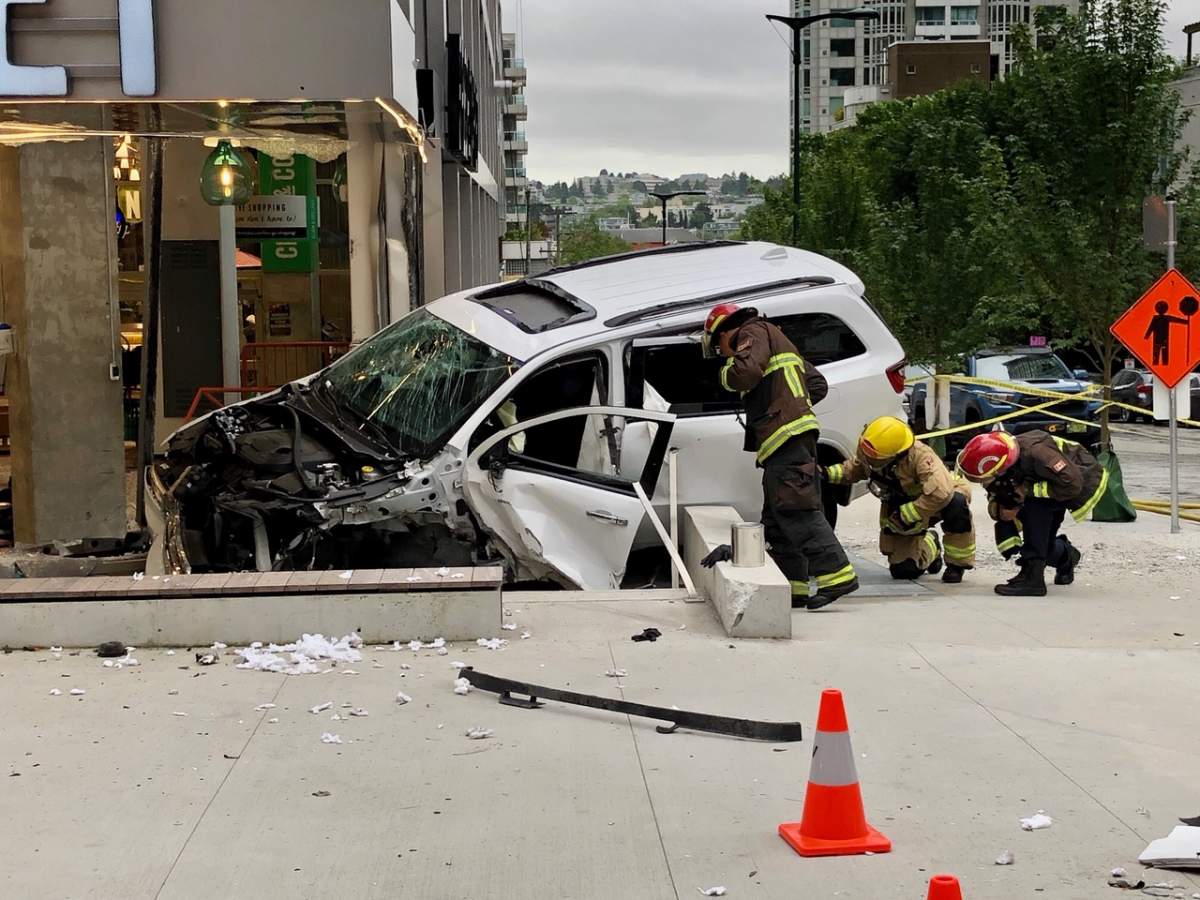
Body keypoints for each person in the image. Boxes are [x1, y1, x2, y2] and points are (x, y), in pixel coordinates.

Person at [699, 302, 858, 610]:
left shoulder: (753, 331)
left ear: (726, 331)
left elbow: (745, 373)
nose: (724, 353)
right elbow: (816, 384)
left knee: (796, 508)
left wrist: (724, 377)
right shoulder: (775, 339)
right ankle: (794, 585)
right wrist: (788, 400)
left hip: (786, 437)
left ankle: (837, 575)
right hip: (788, 438)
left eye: (720, 345)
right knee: (777, 517)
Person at [825, 416, 975, 583]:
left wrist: (909, 513)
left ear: (895, 455)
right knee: (904, 571)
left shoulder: (921, 457)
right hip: (901, 503)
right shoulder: (874, 450)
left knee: (957, 505)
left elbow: (940, 493)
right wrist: (825, 474)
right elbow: (856, 468)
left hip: (939, 499)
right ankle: (932, 544)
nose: (868, 458)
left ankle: (956, 565)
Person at [958, 430, 1108, 596]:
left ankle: (1033, 578)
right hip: (1047, 484)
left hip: (1075, 483)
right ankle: (1066, 556)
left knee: (1034, 509)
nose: (984, 484)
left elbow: (1072, 484)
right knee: (1045, 545)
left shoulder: (1037, 452)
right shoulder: (1006, 463)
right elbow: (998, 491)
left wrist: (1027, 491)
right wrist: (1002, 509)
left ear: (999, 468)